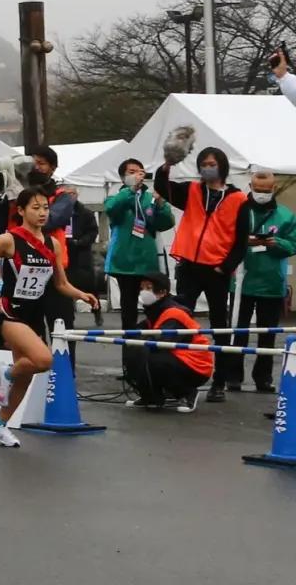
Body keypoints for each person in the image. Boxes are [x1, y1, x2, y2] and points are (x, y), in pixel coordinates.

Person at [0, 187, 101, 447]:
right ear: (20, 211)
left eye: (45, 207)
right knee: (43, 360)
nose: (42, 213)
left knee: (27, 375)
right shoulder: (9, 240)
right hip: (10, 312)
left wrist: (81, 294)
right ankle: (6, 373)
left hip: (34, 314)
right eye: (35, 207)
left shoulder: (52, 244)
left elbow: (61, 284)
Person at [152, 139, 251, 402]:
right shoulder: (192, 191)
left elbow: (241, 242)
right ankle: (180, 376)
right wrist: (167, 164)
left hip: (217, 269)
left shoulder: (239, 198)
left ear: (222, 167)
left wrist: (225, 267)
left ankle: (219, 381)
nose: (207, 168)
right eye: (203, 164)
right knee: (182, 319)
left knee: (220, 325)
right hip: (189, 265)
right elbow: (162, 186)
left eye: (212, 164)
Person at [234, 169, 294, 394]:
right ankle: (233, 377)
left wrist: (275, 243)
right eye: (257, 190)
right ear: (250, 187)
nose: (261, 194)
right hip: (242, 282)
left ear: (273, 189)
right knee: (238, 331)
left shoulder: (286, 215)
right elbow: (227, 238)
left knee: (267, 335)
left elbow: (293, 244)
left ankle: (263, 379)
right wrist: (243, 242)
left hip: (271, 283)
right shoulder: (240, 210)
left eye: (266, 190)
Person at [120, 272, 214, 408]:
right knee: (133, 354)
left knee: (151, 358)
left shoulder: (174, 314)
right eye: (142, 288)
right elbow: (135, 333)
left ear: (162, 292)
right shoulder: (154, 312)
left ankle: (187, 393)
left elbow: (163, 342)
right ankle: (150, 396)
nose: (143, 292)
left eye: (148, 288)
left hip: (196, 365)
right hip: (178, 360)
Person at [103, 159, 173, 319]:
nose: (136, 175)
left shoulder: (149, 198)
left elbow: (166, 223)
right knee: (128, 306)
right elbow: (111, 210)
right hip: (124, 262)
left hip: (147, 261)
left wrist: (161, 205)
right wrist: (131, 190)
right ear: (122, 177)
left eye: (139, 171)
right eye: (131, 172)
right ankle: (129, 343)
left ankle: (151, 340)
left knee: (152, 304)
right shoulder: (115, 197)